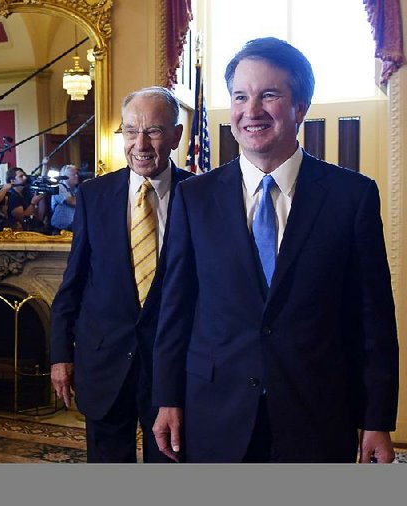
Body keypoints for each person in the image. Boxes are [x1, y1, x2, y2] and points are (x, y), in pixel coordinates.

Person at [151, 38, 399, 464]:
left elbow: (372, 317)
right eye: (241, 97)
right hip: (214, 411)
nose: (253, 110)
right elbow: (175, 309)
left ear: (300, 106)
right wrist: (167, 398)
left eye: (269, 95)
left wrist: (377, 418)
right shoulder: (194, 197)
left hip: (316, 414)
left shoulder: (351, 197)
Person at [49, 87, 191, 463]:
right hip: (105, 365)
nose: (140, 144)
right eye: (131, 131)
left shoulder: (201, 194)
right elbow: (73, 284)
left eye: (154, 131)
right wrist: (60, 356)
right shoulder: (94, 195)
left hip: (174, 373)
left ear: (176, 135)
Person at [5, 167, 47, 231]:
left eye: (24, 175)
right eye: (21, 176)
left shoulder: (26, 192)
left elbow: (39, 217)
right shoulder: (12, 196)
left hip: (32, 228)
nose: (25, 178)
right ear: (12, 181)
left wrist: (41, 197)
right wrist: (33, 203)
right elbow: (22, 218)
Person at [50, 164, 80, 231]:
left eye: (77, 174)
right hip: (59, 230)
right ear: (65, 177)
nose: (77, 176)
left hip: (72, 228)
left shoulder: (76, 189)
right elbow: (72, 201)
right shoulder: (58, 187)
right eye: (73, 174)